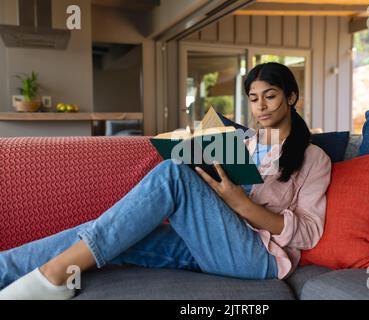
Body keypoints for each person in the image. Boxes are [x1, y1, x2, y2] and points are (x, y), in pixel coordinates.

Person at [0, 62, 332, 300]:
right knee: (115, 231)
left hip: (258, 257)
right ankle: (4, 268)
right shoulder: (240, 146)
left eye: (270, 96)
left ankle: (55, 275)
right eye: (254, 98)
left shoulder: (313, 157)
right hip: (208, 241)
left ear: (291, 97)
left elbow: (309, 232)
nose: (261, 106)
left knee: (172, 173)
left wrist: (240, 203)